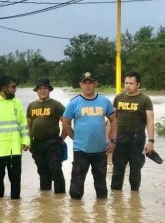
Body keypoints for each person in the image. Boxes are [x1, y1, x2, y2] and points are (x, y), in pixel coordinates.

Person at [62, 72, 117, 200]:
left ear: (95, 84)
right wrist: (75, 138)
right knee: (76, 190)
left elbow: (114, 120)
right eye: (85, 82)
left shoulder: (104, 101)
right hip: (81, 150)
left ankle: (101, 216)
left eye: (90, 82)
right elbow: (65, 122)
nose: (88, 85)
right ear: (80, 84)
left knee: (102, 190)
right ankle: (76, 216)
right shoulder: (74, 102)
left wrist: (113, 140)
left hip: (100, 150)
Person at [111, 71, 155, 191]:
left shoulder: (145, 99)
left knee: (136, 168)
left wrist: (151, 141)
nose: (128, 86)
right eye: (126, 83)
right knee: (118, 168)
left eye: (131, 83)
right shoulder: (119, 97)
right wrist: (109, 139)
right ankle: (116, 197)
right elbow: (112, 119)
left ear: (138, 85)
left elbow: (150, 121)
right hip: (120, 137)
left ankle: (134, 196)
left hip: (137, 137)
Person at [27, 78, 66, 194]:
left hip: (53, 142)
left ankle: (60, 198)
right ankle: (45, 200)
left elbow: (66, 124)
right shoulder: (31, 106)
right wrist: (29, 142)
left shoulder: (57, 105)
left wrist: (60, 139)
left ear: (49, 90)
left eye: (45, 88)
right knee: (42, 171)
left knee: (55, 170)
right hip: (37, 143)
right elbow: (29, 126)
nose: (43, 91)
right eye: (40, 88)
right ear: (36, 90)